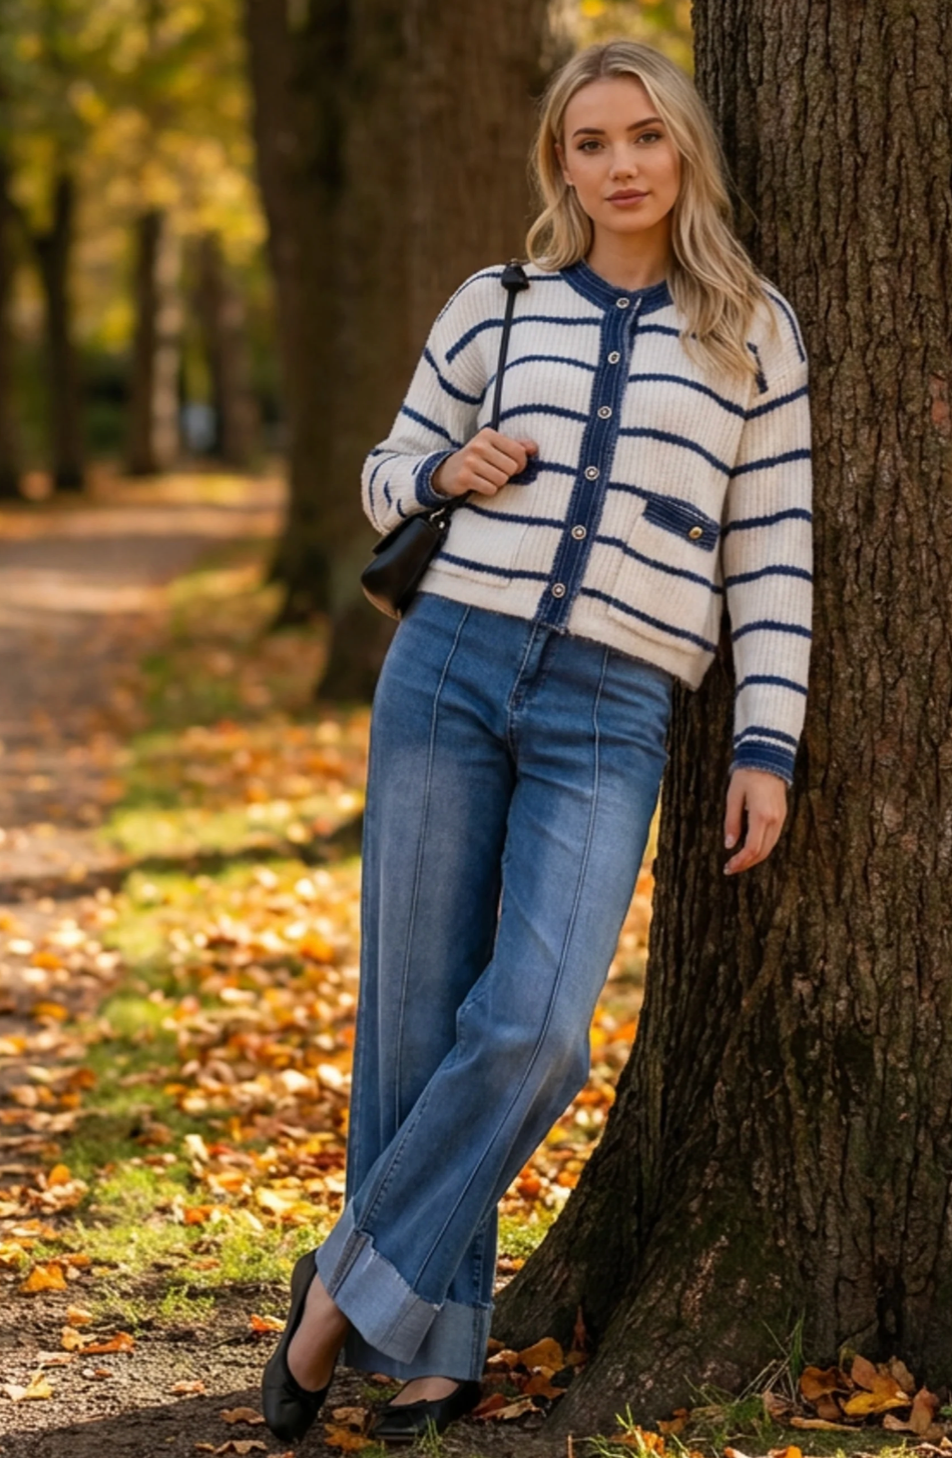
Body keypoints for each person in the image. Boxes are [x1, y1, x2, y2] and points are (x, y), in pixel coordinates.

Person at [262, 36, 813, 1446]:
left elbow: (773, 551)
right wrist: (445, 467)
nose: (620, 164)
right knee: (411, 1026)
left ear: (684, 148)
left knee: (534, 1030)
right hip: (448, 668)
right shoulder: (497, 305)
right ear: (558, 164)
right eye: (590, 143)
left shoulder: (752, 328)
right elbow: (388, 471)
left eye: (644, 135)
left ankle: (335, 1301)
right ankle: (438, 1349)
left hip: (613, 708)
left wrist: (768, 739)